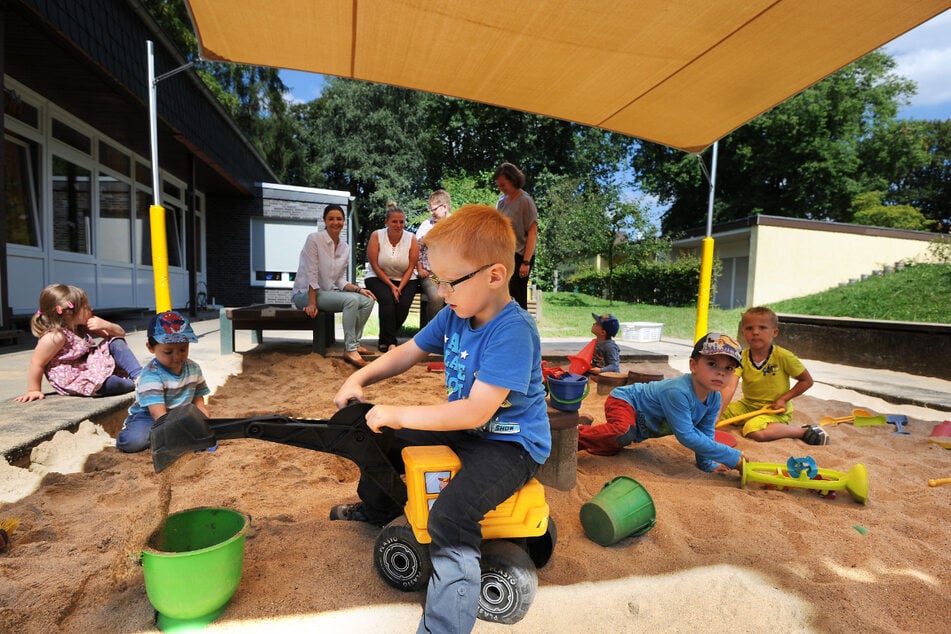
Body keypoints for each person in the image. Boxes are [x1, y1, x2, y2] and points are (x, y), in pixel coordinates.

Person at [332, 205, 551, 633]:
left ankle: (443, 627)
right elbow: (405, 354)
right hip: (466, 431)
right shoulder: (455, 315)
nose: (441, 292)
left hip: (510, 445)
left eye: (450, 282)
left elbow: (476, 410)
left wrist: (396, 411)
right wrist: (360, 377)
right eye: (437, 281)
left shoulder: (513, 330)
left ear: (494, 275)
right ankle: (378, 508)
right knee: (377, 436)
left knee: (450, 517)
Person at [577, 332, 749, 472]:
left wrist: (707, 464)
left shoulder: (714, 398)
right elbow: (687, 436)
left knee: (613, 445)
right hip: (625, 401)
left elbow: (705, 432)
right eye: (712, 364)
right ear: (693, 365)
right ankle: (572, 439)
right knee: (623, 432)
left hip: (638, 425)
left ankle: (585, 426)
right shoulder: (678, 392)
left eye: (729, 368)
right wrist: (732, 457)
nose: (721, 373)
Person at [718, 306, 827, 445]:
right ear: (743, 332)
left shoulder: (783, 356)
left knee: (752, 430)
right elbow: (729, 387)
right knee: (710, 412)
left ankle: (803, 431)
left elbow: (807, 381)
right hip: (748, 405)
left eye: (762, 328)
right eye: (749, 328)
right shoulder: (741, 357)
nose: (755, 332)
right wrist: (717, 412)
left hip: (775, 409)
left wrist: (783, 399)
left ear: (774, 332)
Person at [15, 284, 142, 402]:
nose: (91, 308)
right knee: (112, 384)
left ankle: (139, 376)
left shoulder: (81, 326)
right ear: (69, 313)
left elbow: (119, 335)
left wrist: (108, 326)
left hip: (90, 366)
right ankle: (134, 384)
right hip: (75, 378)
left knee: (116, 342)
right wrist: (34, 390)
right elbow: (37, 363)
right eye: (85, 307)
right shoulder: (55, 337)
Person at [291, 204, 376, 368]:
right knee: (351, 301)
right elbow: (311, 273)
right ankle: (350, 349)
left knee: (368, 300)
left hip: (325, 293)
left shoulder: (345, 247)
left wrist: (359, 290)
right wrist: (312, 302)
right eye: (331, 219)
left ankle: (355, 343)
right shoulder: (314, 239)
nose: (335, 222)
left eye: (339, 219)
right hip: (305, 294)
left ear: (344, 221)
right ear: (324, 220)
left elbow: (340, 281)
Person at [115, 310, 209, 453]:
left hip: (181, 414)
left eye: (183, 349)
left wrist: (203, 418)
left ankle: (163, 437)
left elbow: (198, 401)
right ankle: (131, 430)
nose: (177, 357)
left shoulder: (193, 369)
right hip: (150, 416)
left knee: (206, 438)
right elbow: (158, 414)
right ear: (151, 348)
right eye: (168, 352)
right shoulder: (151, 376)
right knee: (133, 442)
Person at [364, 204, 420, 352]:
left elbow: (411, 267)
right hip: (378, 276)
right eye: (394, 221)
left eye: (401, 222)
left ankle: (384, 337)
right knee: (387, 300)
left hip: (405, 278)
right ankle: (391, 343)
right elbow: (375, 264)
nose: (398, 225)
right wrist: (391, 286)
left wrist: (400, 287)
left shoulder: (412, 239)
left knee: (403, 305)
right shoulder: (376, 236)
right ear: (386, 222)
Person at [493, 162, 538, 310]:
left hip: (520, 257)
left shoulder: (525, 201)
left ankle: (521, 330)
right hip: (504, 255)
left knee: (517, 297)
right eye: (499, 185)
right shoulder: (501, 201)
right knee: (502, 296)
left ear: (513, 180)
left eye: (503, 185)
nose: (500, 188)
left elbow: (532, 232)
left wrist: (526, 262)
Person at [415, 189, 452, 325]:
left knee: (463, 295)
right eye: (430, 209)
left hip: (451, 275)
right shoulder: (426, 226)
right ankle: (431, 335)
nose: (431, 212)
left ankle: (456, 336)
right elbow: (415, 250)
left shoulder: (457, 225)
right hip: (431, 274)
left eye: (434, 209)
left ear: (444, 207)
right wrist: (420, 269)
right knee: (437, 297)